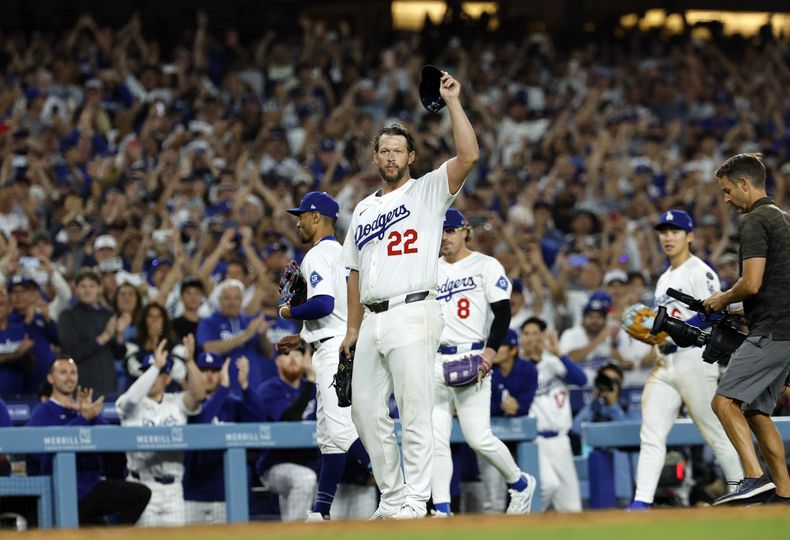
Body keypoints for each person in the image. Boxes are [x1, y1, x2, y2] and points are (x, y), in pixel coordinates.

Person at [339, 69, 479, 520]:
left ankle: (417, 498)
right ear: (376, 157)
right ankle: (394, 495)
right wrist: (352, 328)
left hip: (415, 310)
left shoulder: (428, 191)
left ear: (411, 157)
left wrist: (453, 102)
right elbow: (354, 270)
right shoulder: (363, 208)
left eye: (398, 149)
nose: (391, 156)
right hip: (373, 318)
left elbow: (469, 154)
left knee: (415, 409)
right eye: (384, 150)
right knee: (363, 409)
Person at [628, 209, 742, 509]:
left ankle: (744, 495)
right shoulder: (665, 277)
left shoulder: (699, 271)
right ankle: (641, 503)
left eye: (675, 231)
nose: (668, 236)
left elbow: (715, 313)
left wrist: (672, 331)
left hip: (695, 359)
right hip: (664, 363)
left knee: (716, 433)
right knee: (651, 434)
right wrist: (653, 331)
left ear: (689, 235)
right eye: (664, 231)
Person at [431, 208, 536, 517]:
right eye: (440, 231)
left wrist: (490, 352)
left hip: (472, 355)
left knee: (478, 438)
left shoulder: (485, 265)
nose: (444, 236)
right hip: (435, 359)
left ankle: (519, 483)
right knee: (436, 439)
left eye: (450, 230)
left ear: (466, 231)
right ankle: (441, 508)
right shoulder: (428, 269)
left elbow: (503, 312)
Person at [278, 191, 370, 521]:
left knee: (342, 432)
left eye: (301, 215)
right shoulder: (343, 254)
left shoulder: (317, 256)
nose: (298, 222)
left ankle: (397, 492)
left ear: (317, 218)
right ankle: (321, 512)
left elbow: (324, 305)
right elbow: (340, 313)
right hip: (342, 342)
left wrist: (289, 312)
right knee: (330, 440)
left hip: (334, 351)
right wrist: (301, 337)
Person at [703, 153, 790, 505]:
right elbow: (776, 284)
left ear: (744, 183)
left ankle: (754, 478)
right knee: (756, 411)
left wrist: (723, 299)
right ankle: (785, 495)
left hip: (772, 331)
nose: (725, 199)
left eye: (726, 191)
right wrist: (746, 312)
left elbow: (751, 282)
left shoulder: (755, 220)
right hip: (784, 329)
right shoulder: (783, 219)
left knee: (724, 402)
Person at [26, 358, 151, 525]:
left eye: (73, 372)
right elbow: (44, 457)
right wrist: (83, 418)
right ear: (50, 378)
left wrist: (93, 417)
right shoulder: (42, 412)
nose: (69, 377)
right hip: (59, 493)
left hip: (91, 489)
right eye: (63, 372)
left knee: (140, 494)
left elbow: (114, 441)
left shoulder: (84, 410)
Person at [115, 336, 205, 526]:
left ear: (167, 377)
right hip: (141, 485)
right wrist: (155, 367)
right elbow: (131, 400)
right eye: (145, 372)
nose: (150, 378)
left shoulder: (177, 402)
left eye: (156, 373)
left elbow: (199, 394)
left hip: (173, 490)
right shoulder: (131, 404)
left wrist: (189, 362)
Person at [183, 352, 264, 524]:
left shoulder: (233, 404)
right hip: (194, 494)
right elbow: (200, 426)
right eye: (204, 370)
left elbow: (261, 421)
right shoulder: (188, 404)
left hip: (226, 494)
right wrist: (224, 389)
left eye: (215, 370)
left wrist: (245, 387)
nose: (210, 375)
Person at [521, 316, 587, 512]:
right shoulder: (518, 368)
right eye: (526, 334)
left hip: (561, 440)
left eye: (535, 333)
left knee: (572, 508)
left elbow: (581, 380)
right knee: (547, 487)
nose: (531, 338)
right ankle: (522, 524)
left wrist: (558, 352)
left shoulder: (555, 363)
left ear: (543, 336)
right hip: (535, 442)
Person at [255, 347, 320, 521]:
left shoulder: (316, 388)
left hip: (308, 462)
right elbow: (288, 421)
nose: (293, 358)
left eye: (298, 354)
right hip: (274, 463)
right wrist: (311, 380)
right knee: (305, 479)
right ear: (278, 361)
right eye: (287, 354)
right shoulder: (268, 390)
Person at [58, 268, 128, 396]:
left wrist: (119, 334)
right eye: (83, 286)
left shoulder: (108, 315)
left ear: (100, 289)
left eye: (92, 285)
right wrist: (103, 337)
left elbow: (118, 354)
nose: (87, 290)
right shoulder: (68, 316)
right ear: (75, 289)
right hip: (82, 386)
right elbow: (71, 353)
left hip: (109, 385)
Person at [197, 279, 273, 392]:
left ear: (242, 300)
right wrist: (246, 335)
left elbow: (269, 353)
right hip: (223, 389)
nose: (232, 302)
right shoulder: (209, 322)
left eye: (236, 298)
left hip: (253, 386)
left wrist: (262, 336)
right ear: (219, 300)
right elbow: (209, 348)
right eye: (227, 298)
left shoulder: (250, 321)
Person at [559, 290, 630, 382]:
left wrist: (613, 342)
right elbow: (569, 359)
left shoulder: (612, 334)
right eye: (590, 317)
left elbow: (621, 364)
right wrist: (599, 339)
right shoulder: (570, 334)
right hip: (577, 388)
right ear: (583, 318)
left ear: (605, 320)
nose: (594, 321)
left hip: (604, 387)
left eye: (599, 317)